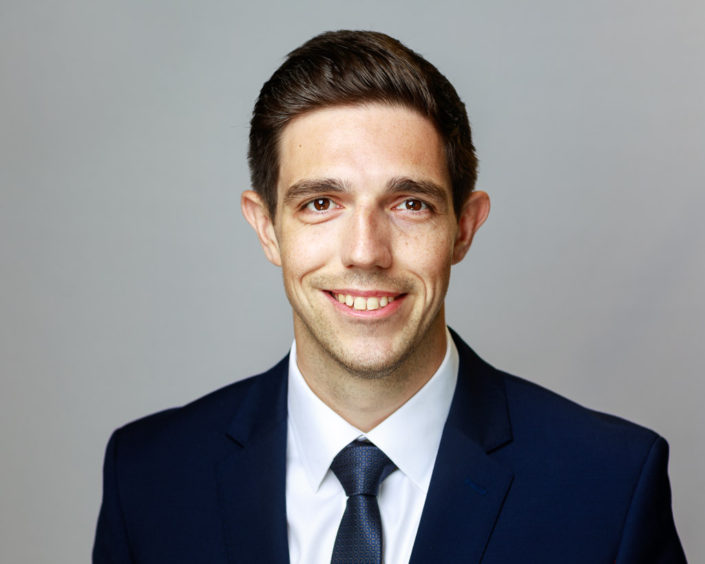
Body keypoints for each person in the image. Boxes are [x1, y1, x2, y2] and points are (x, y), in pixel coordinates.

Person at [93, 30, 686, 563]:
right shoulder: (147, 477)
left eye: (410, 204)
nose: (365, 252)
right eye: (321, 203)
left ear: (464, 228)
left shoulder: (609, 487)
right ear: (267, 228)